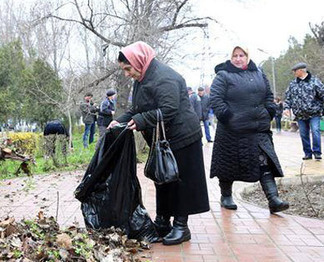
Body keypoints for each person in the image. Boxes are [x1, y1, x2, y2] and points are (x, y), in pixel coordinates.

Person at [109, 41, 209, 245]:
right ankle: (163, 222)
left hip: (182, 137)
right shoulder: (142, 77)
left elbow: (169, 110)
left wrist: (140, 121)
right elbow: (137, 108)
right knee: (162, 178)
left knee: (179, 182)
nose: (127, 74)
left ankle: (181, 226)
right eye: (124, 70)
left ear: (139, 61)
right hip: (163, 138)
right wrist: (119, 121)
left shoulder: (164, 78)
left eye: (128, 69)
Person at [210, 45, 289, 214]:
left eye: (241, 55)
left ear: (247, 56)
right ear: (231, 58)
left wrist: (269, 111)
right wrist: (228, 117)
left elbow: (268, 95)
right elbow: (216, 100)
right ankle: (226, 196)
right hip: (232, 130)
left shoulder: (259, 73)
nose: (238, 59)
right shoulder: (223, 75)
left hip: (258, 128)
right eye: (235, 56)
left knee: (264, 161)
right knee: (227, 164)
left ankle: (273, 199)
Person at [283, 62, 324, 160]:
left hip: (314, 113)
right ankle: (308, 153)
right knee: (303, 134)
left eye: (295, 71)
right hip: (300, 115)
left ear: (301, 70)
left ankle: (317, 152)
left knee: (315, 131)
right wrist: (286, 108)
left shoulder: (315, 82)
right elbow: (288, 97)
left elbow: (323, 95)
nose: (294, 73)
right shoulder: (293, 84)